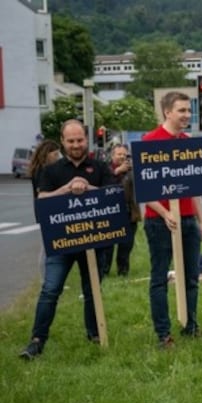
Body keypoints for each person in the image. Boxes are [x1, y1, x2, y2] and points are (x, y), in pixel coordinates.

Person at [19, 120, 114, 359]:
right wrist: (68, 188)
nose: (76, 145)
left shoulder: (101, 167)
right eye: (70, 141)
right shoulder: (51, 171)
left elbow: (114, 195)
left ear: (86, 139)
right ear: (62, 141)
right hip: (61, 243)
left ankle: (94, 335)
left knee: (92, 290)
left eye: (80, 140)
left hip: (94, 240)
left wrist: (88, 187)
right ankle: (37, 340)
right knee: (50, 289)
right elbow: (42, 200)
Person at [143, 91, 202, 348]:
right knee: (159, 277)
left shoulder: (188, 143)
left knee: (191, 277)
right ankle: (163, 334)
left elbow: (195, 189)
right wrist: (164, 213)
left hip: (188, 220)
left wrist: (201, 221)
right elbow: (143, 189)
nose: (186, 115)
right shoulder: (150, 142)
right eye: (181, 110)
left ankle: (190, 326)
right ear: (167, 112)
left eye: (188, 110)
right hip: (159, 222)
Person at [99, 144, 141, 277]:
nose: (122, 157)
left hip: (129, 212)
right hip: (110, 213)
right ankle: (104, 272)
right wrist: (117, 171)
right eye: (119, 154)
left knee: (126, 245)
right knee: (107, 247)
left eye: (125, 154)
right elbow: (103, 187)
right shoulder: (105, 169)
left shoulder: (132, 170)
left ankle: (123, 272)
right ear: (112, 156)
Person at [28, 139, 63, 276]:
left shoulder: (41, 169)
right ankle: (45, 278)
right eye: (55, 154)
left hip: (45, 211)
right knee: (47, 249)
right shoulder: (42, 171)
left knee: (51, 247)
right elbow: (42, 193)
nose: (58, 157)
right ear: (47, 154)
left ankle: (50, 277)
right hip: (46, 211)